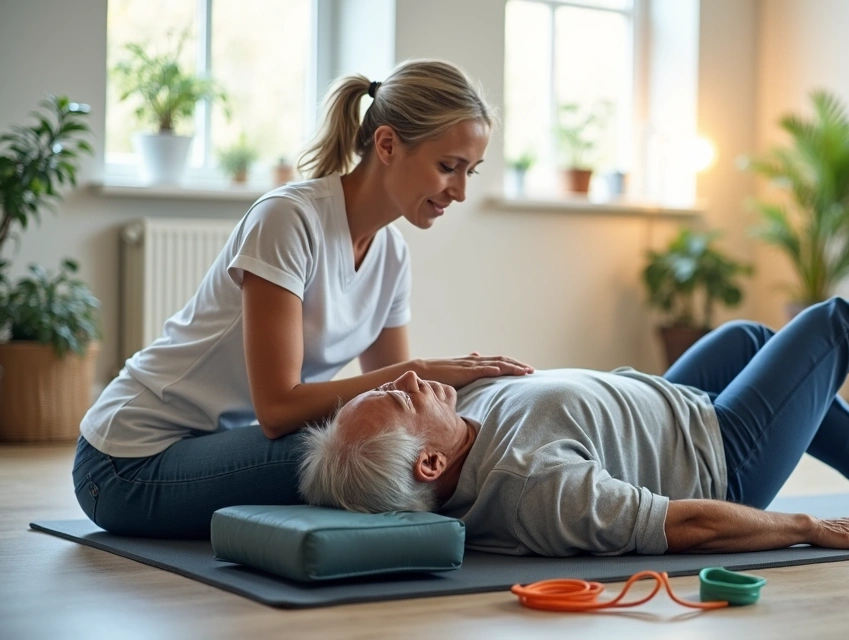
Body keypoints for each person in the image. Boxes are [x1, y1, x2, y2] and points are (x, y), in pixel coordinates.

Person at [298, 123, 849, 556]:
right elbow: (687, 523)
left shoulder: (458, 409)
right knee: (829, 327)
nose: (395, 380)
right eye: (394, 402)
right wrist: (804, 525)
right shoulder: (532, 490)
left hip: (675, 408)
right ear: (430, 461)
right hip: (722, 462)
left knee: (743, 337)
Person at [72, 59, 533, 539]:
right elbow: (277, 411)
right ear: (388, 144)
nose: (458, 191)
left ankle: (518, 502)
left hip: (217, 446)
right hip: (125, 463)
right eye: (447, 167)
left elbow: (401, 405)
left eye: (470, 173)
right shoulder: (288, 219)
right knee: (350, 452)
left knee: (398, 442)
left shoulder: (391, 252)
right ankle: (507, 521)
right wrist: (425, 369)